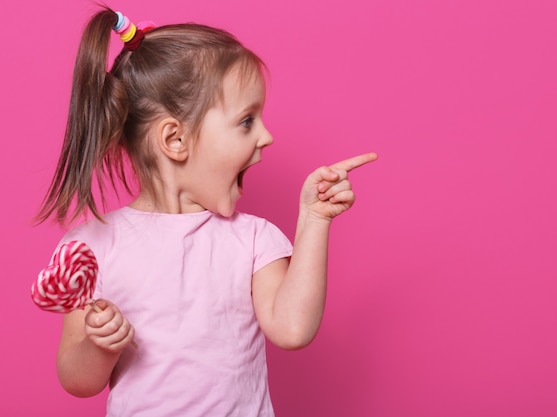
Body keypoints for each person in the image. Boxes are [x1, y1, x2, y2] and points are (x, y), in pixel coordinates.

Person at [37, 6, 377, 417]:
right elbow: (77, 382)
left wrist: (315, 219)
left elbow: (292, 329)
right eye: (247, 121)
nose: (267, 136)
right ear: (175, 139)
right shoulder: (92, 247)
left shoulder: (253, 239)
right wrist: (98, 344)